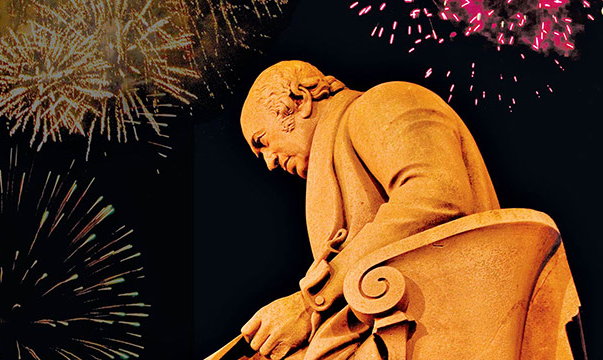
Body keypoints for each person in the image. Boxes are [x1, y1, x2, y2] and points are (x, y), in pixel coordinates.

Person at [238, 61, 577, 360]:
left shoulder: (379, 103)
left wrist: (310, 301)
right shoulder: (338, 155)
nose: (269, 162)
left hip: (436, 327)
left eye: (262, 141)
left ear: (299, 101)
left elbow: (435, 194)